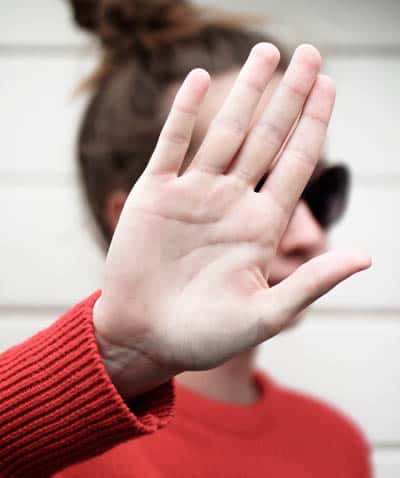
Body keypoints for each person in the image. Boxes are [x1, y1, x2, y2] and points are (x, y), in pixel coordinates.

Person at [0, 0, 372, 476]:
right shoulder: (57, 454)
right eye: (256, 190)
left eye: (316, 190)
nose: (310, 233)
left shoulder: (336, 443)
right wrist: (118, 359)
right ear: (129, 217)